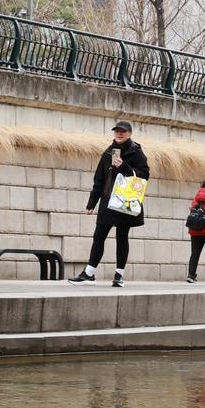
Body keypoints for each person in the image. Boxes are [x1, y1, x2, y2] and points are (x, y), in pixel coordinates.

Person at [68, 120, 150, 288]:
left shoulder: (136, 152)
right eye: (117, 131)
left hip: (125, 201)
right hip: (107, 200)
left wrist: (126, 167)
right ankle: (89, 274)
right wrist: (92, 202)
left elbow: (144, 175)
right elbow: (99, 178)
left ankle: (119, 275)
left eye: (123, 131)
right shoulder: (109, 152)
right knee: (98, 236)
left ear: (129, 133)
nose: (119, 134)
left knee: (122, 238)